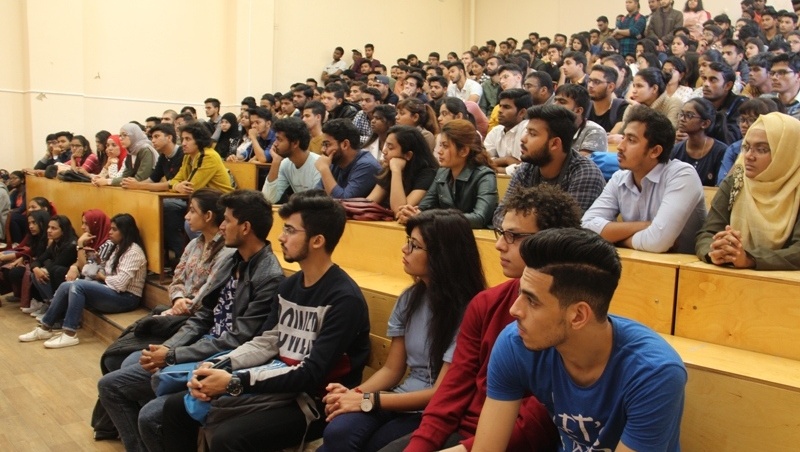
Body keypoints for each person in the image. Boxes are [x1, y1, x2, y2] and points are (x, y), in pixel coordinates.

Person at [160, 190, 371, 452]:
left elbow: (310, 374)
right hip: (277, 382)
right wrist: (217, 366)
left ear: (317, 241)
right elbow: (266, 341)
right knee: (176, 406)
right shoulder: (290, 286)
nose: (281, 237)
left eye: (290, 230)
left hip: (315, 400)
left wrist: (236, 382)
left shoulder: (344, 299)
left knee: (229, 437)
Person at [383, 185, 580, 452]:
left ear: (549, 241)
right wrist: (420, 446)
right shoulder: (486, 303)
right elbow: (451, 391)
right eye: (501, 233)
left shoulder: (567, 317)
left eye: (513, 236)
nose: (499, 244)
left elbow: (535, 423)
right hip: (463, 432)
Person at [97, 190, 283, 452]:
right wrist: (169, 348)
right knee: (111, 383)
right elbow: (204, 315)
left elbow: (239, 339)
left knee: (149, 415)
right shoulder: (232, 260)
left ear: (245, 228)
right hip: (201, 347)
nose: (222, 226)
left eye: (227, 220)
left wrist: (172, 355)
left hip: (223, 361)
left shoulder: (269, 276)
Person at [472, 227, 687, 451]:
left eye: (532, 301)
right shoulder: (515, 342)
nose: (515, 310)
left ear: (578, 316)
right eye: (520, 293)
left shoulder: (653, 372)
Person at [319, 209, 486, 452]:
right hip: (398, 397)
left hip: (434, 410)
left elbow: (440, 393)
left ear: (442, 255)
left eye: (415, 246)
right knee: (338, 432)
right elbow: (392, 370)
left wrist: (367, 399)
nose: (404, 250)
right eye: (408, 241)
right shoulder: (410, 298)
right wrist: (352, 394)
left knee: (376, 445)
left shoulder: (471, 310)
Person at [582, 106, 705, 253]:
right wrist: (645, 226)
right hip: (637, 261)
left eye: (631, 140)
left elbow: (657, 242)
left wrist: (614, 239)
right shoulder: (619, 178)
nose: (620, 146)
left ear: (655, 151)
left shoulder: (682, 175)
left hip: (685, 265)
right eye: (623, 137)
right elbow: (586, 228)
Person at [20, 213, 146, 348]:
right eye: (110, 228)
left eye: (114, 229)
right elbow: (102, 270)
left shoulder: (133, 252)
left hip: (127, 298)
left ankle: (69, 334)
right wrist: (98, 264)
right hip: (111, 290)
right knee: (67, 285)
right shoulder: (117, 247)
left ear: (125, 231)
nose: (110, 232)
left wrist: (101, 277)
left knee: (78, 285)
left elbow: (120, 284)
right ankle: (45, 328)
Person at [697, 112, 800, 270]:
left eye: (762, 149)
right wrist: (716, 251)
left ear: (786, 153)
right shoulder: (735, 183)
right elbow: (707, 233)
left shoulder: (797, 189)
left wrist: (750, 259)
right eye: (746, 147)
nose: (749, 156)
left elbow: (798, 251)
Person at [493, 105, 606, 228]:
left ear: (555, 143)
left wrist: (518, 228)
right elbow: (500, 215)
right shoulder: (525, 169)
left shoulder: (585, 173)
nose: (523, 139)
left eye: (532, 134)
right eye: (527, 132)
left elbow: (571, 228)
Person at [398, 120, 497, 229]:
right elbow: (424, 207)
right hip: (447, 232)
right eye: (440, 145)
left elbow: (479, 218)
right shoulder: (442, 173)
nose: (439, 151)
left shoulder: (485, 176)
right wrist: (411, 214)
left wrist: (432, 218)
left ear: (464, 151)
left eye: (445, 146)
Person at [366, 125, 437, 214]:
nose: (384, 151)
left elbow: (400, 210)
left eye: (390, 148)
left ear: (408, 155)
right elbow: (369, 202)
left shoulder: (428, 174)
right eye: (386, 145)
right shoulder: (389, 169)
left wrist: (396, 171)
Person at [717, 98, 779, 183]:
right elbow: (722, 184)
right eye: (742, 120)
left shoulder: (779, 147)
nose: (744, 125)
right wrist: (741, 159)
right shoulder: (734, 149)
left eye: (752, 120)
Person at [315, 119, 381, 198]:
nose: (322, 150)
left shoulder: (367, 166)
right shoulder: (335, 162)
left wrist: (324, 170)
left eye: (327, 144)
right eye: (323, 145)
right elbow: (316, 195)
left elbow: (344, 201)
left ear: (345, 144)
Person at [27, 215, 78, 317]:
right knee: (35, 273)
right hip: (56, 272)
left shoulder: (71, 245)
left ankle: (55, 306)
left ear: (63, 231)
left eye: (54, 228)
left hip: (68, 276)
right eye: (49, 227)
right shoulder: (55, 243)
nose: (49, 231)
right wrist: (36, 268)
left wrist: (42, 269)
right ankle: (48, 303)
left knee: (52, 271)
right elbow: (39, 259)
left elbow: (58, 263)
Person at [263, 117, 321, 204]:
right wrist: (275, 162)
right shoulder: (285, 164)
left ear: (295, 143)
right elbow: (268, 199)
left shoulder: (318, 164)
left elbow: (317, 203)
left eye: (279, 140)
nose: (275, 144)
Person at [672, 98, 728, 186]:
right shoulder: (676, 149)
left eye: (689, 115)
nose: (682, 119)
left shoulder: (721, 151)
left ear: (705, 123)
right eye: (681, 114)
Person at [0, 211, 49, 304]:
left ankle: (33, 299)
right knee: (6, 268)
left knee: (15, 272)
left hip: (41, 264)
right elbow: (23, 249)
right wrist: (19, 258)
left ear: (42, 222)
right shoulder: (32, 235)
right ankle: (20, 295)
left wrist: (10, 257)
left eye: (34, 223)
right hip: (32, 260)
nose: (31, 226)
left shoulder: (48, 237)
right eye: (29, 223)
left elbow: (35, 254)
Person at [484, 89, 533, 176]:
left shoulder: (528, 130)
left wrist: (495, 168)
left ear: (522, 113)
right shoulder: (496, 131)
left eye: (506, 107)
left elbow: (527, 169)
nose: (499, 110)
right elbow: (482, 161)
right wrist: (506, 160)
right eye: (500, 106)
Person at [618, 67, 683, 130]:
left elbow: (668, 132)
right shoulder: (634, 105)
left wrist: (642, 111)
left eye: (639, 86)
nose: (634, 91)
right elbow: (624, 131)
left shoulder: (674, 103)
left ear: (654, 89)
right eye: (634, 86)